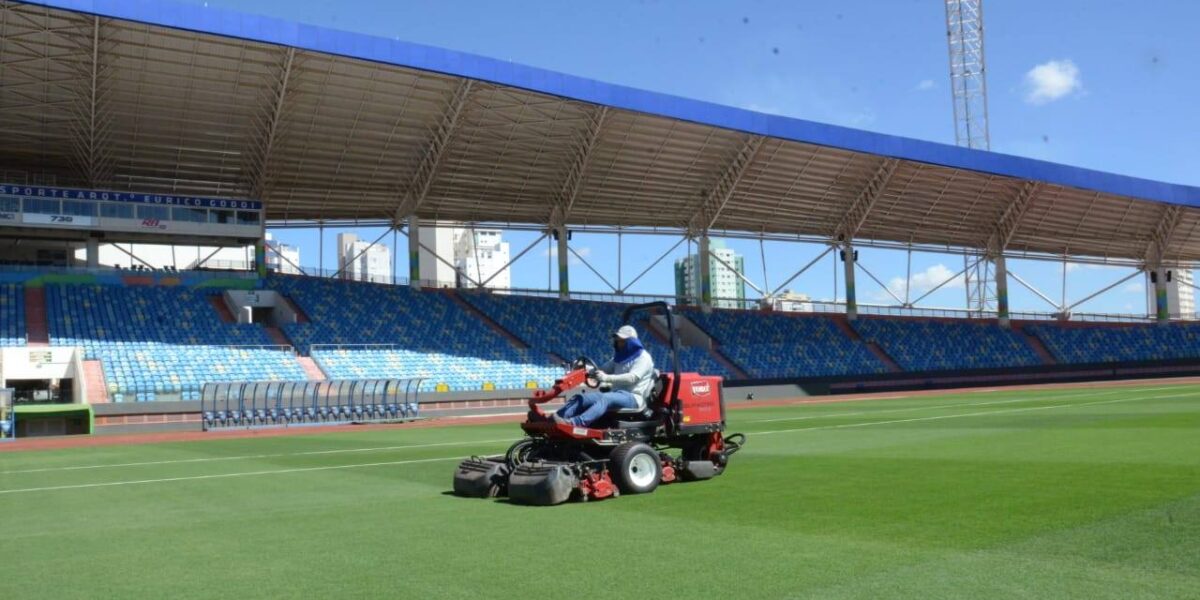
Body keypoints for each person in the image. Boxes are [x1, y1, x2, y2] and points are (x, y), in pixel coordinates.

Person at [553, 325, 656, 427]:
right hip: (616, 394)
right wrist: (585, 368)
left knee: (606, 398)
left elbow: (632, 378)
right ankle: (557, 419)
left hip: (632, 397)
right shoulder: (619, 357)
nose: (619, 344)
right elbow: (602, 369)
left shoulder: (643, 358)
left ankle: (576, 423)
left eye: (622, 341)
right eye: (618, 341)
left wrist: (606, 378)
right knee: (581, 398)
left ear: (632, 342)